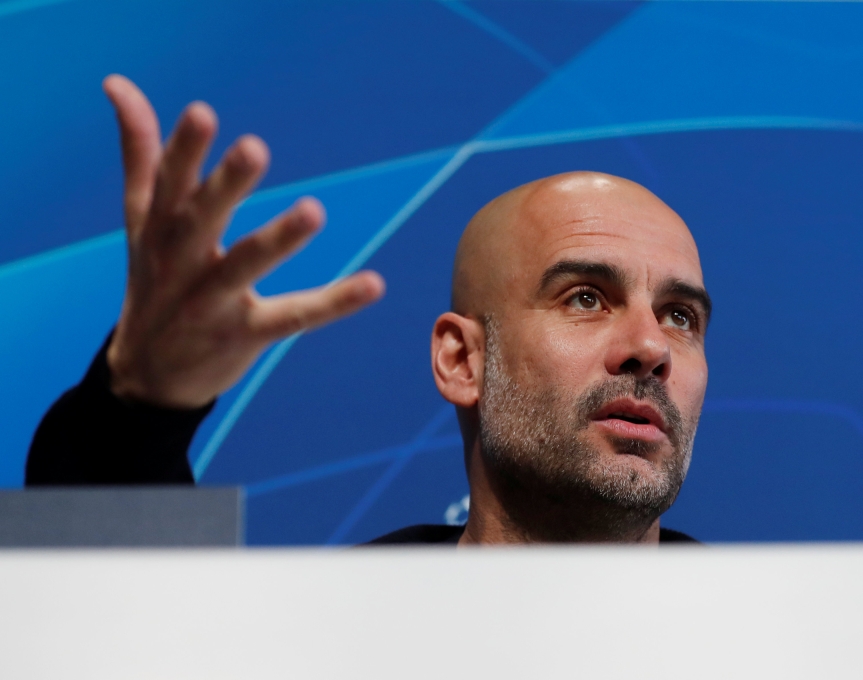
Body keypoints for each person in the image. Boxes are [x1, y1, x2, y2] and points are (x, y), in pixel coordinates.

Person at [26, 76, 711, 545]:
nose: (651, 346)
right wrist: (140, 410)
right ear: (462, 360)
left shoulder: (797, 644)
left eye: (681, 315)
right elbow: (107, 633)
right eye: (585, 298)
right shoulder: (304, 641)